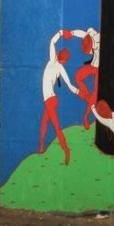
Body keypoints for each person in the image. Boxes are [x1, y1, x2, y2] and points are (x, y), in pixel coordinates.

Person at [38, 29, 79, 163]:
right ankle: (41, 148)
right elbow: (71, 86)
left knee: (55, 126)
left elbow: (52, 42)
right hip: (51, 99)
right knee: (44, 121)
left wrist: (61, 32)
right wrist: (80, 93)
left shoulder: (54, 62)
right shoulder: (61, 68)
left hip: (50, 99)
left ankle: (66, 150)